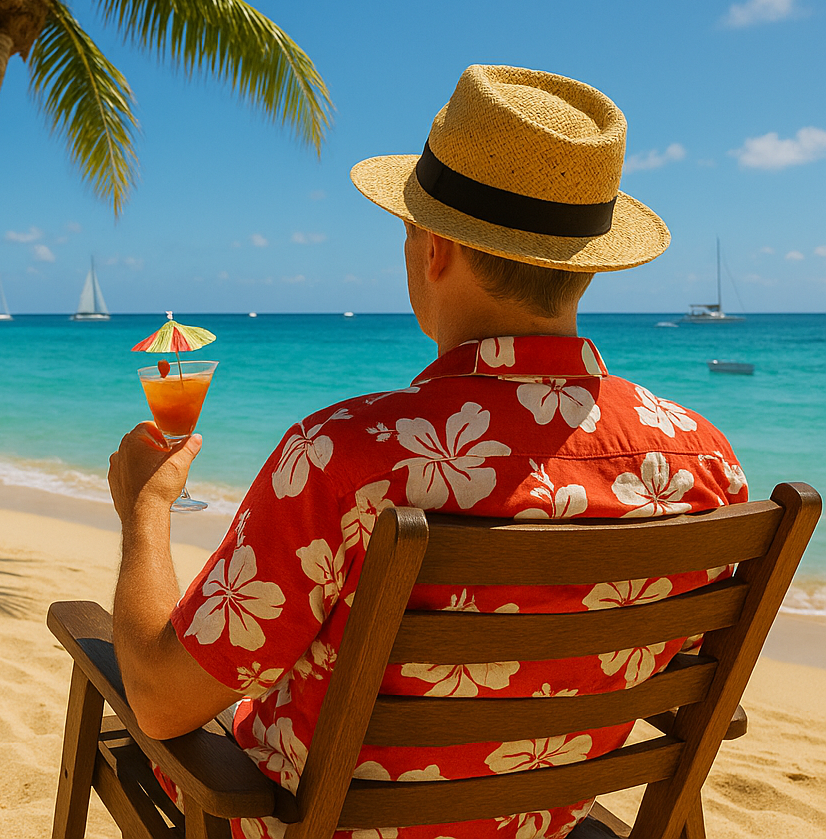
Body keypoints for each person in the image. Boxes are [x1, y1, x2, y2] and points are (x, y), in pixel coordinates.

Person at [108, 65, 749, 839]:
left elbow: (159, 699)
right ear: (588, 265)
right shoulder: (704, 462)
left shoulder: (343, 457)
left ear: (434, 248)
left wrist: (144, 509)